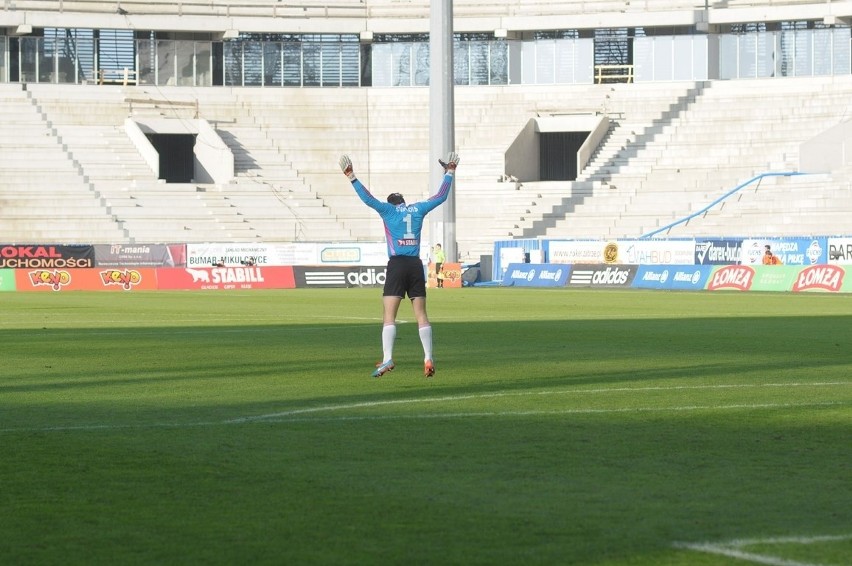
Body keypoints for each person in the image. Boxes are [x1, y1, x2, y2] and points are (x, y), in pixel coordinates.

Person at [339, 152, 460, 378]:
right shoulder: (418, 209)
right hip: (415, 265)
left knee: (389, 316)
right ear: (403, 201)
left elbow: (368, 199)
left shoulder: (387, 211)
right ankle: (428, 357)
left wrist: (352, 176)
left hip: (396, 265)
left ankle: (387, 359)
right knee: (421, 315)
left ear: (391, 204)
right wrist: (450, 172)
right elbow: (441, 197)